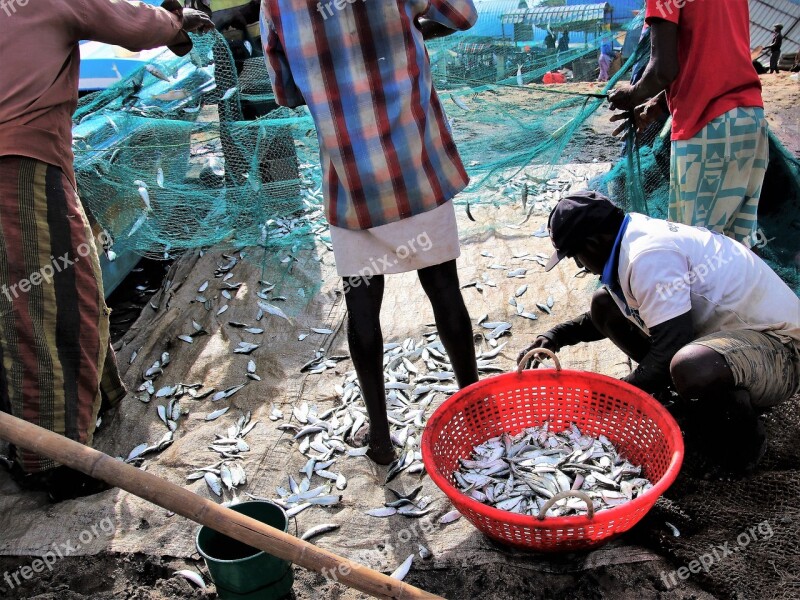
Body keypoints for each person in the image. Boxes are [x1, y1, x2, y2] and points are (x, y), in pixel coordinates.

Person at [0, 1, 213, 502]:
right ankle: (50, 460)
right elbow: (133, 24)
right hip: (21, 167)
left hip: (30, 159)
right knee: (51, 307)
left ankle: (86, 407)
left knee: (25, 305)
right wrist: (177, 23)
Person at [261, 1, 480, 465]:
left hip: (351, 178)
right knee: (443, 288)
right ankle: (474, 410)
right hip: (415, 162)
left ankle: (380, 439)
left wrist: (332, 74)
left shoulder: (276, 5)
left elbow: (285, 92)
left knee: (362, 305)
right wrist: (410, 32)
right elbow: (463, 15)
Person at [518, 192, 800, 474]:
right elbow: (612, 313)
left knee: (691, 368)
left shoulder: (648, 256)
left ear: (593, 243)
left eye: (575, 256)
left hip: (783, 349)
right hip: (733, 339)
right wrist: (557, 335)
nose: (579, 265)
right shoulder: (629, 237)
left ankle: (744, 444)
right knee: (603, 304)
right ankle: (681, 396)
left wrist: (614, 396)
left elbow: (669, 350)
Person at [607, 0, 768, 245]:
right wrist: (659, 103)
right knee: (741, 246)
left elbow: (663, 69)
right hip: (750, 119)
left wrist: (630, 95)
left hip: (708, 127)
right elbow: (713, 54)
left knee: (693, 248)